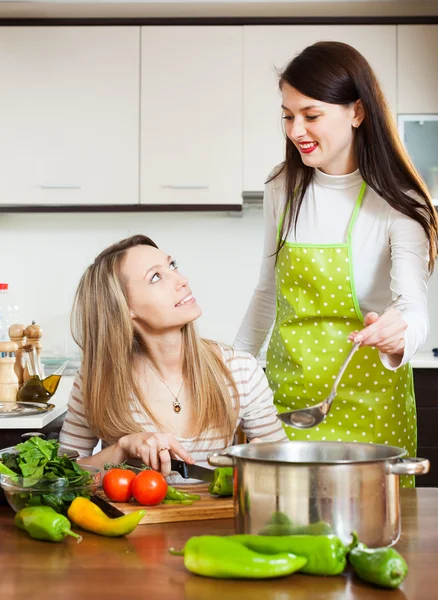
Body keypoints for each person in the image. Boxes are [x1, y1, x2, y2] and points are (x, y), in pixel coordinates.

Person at [234, 41, 438, 486]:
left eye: (311, 115)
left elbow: (414, 310)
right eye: (288, 115)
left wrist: (397, 334)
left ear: (357, 112)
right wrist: (233, 373)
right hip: (286, 404)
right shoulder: (282, 186)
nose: (295, 130)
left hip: (372, 411)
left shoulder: (400, 203)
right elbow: (267, 291)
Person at [59, 235, 286, 476]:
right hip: (135, 516)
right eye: (155, 277)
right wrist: (122, 449)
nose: (182, 280)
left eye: (173, 266)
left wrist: (269, 461)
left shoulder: (239, 370)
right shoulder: (98, 379)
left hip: (221, 515)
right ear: (125, 308)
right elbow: (63, 477)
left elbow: (287, 471)